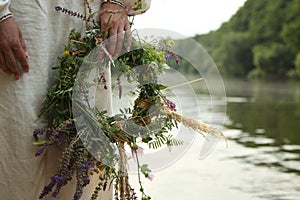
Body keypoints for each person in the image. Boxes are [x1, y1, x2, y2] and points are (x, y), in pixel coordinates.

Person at [0, 0, 151, 199]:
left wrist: (120, 3)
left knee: (83, 154)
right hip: (23, 20)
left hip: (86, 24)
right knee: (18, 145)